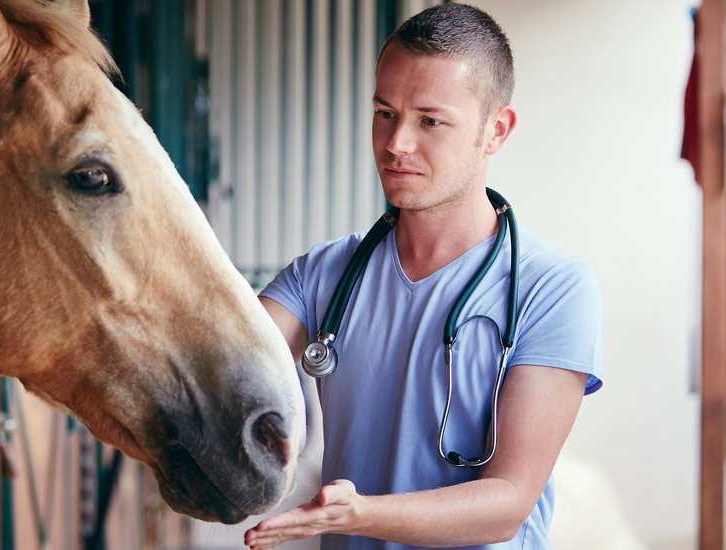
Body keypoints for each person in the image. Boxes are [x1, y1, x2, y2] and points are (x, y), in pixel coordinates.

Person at [243, 4, 603, 550]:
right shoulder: (323, 276)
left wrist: (358, 515)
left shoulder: (552, 289)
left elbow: (507, 502)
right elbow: (228, 358)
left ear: (495, 131)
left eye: (429, 121)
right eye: (385, 112)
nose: (396, 144)